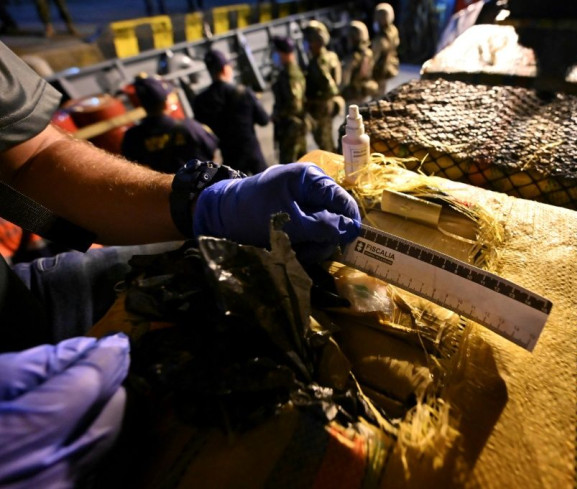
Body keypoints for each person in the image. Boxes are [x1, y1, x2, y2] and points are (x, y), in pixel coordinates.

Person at [0, 40, 361, 488]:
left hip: (15, 300)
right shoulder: (196, 127)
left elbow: (32, 156)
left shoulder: (139, 134)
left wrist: (203, 203)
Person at [193, 49, 270, 175]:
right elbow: (264, 120)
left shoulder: (201, 101)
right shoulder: (243, 92)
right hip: (253, 155)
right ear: (225, 69)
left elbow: (203, 133)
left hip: (230, 157)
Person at [122, 74, 218, 174]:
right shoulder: (190, 127)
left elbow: (131, 169)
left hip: (163, 188)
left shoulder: (132, 138)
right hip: (201, 186)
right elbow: (212, 151)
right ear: (166, 102)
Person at [303, 20, 343, 153]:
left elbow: (331, 88)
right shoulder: (331, 56)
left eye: (309, 40)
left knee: (325, 144)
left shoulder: (318, 64)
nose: (307, 44)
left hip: (320, 109)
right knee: (327, 141)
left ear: (317, 42)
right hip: (327, 107)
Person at [271, 36, 307, 165]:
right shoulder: (289, 71)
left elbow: (295, 105)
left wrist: (278, 114)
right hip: (293, 127)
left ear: (283, 53)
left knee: (289, 165)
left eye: (277, 52)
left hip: (291, 128)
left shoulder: (290, 74)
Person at [341, 20, 378, 108]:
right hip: (365, 92)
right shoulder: (368, 53)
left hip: (353, 95)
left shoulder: (351, 58)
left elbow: (344, 81)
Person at [371, 2, 400, 97]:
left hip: (379, 71)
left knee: (377, 97)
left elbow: (373, 58)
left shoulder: (380, 39)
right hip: (389, 66)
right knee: (382, 92)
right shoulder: (393, 31)